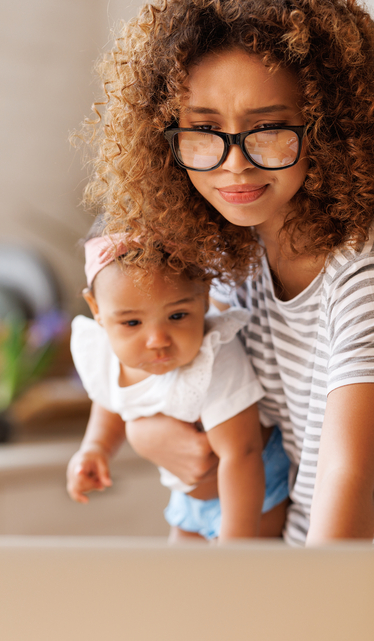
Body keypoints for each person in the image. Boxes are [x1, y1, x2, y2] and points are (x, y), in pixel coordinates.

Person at [77, 0, 374, 638]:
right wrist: (142, 431)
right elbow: (190, 397)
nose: (234, 166)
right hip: (307, 581)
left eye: (268, 130)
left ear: (329, 127)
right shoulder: (227, 255)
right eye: (204, 131)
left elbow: (351, 481)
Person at [65, 227, 291, 541]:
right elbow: (111, 399)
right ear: (97, 310)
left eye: (177, 315)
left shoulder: (213, 358)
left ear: (204, 295)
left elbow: (242, 453)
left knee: (239, 586)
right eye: (132, 323)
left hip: (254, 494)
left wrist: (236, 548)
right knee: (178, 582)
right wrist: (95, 448)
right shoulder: (104, 353)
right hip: (188, 498)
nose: (157, 340)